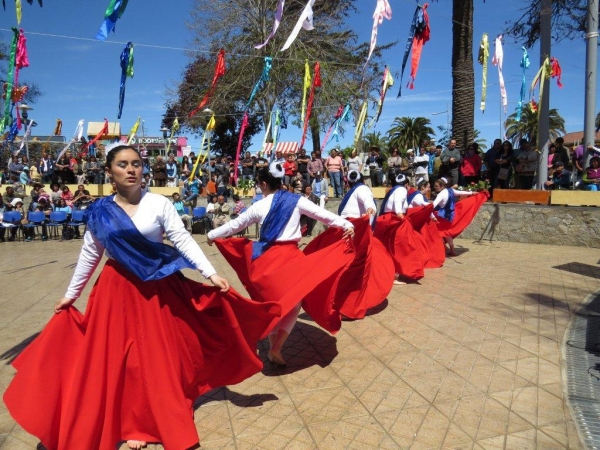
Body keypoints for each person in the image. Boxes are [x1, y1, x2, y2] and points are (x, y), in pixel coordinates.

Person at [3, 143, 280, 450]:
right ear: (109, 172)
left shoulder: (158, 204)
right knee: (120, 359)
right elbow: (90, 254)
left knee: (154, 357)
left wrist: (209, 273)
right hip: (116, 291)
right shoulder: (100, 211)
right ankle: (132, 420)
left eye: (136, 163)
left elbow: (182, 240)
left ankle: (149, 422)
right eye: (123, 164)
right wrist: (71, 295)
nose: (131, 169)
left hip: (156, 290)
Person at [207, 161, 355, 366]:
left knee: (270, 305)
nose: (259, 187)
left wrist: (212, 234)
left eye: (259, 184)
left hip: (263, 263)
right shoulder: (297, 200)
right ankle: (276, 347)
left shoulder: (259, 205)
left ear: (265, 184)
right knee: (294, 303)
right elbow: (323, 215)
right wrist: (347, 224)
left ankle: (272, 346)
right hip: (290, 261)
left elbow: (235, 225)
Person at [307, 170, 394, 319]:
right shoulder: (359, 189)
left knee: (350, 270)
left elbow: (369, 206)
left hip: (353, 232)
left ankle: (349, 306)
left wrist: (368, 225)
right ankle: (345, 304)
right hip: (351, 231)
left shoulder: (360, 189)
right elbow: (369, 207)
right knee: (351, 270)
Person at [374, 174, 425, 284]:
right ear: (406, 184)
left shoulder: (394, 190)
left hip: (390, 219)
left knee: (393, 246)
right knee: (402, 247)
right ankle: (396, 274)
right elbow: (398, 205)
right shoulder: (401, 190)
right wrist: (400, 214)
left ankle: (394, 273)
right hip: (396, 220)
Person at [432, 177, 487, 256]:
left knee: (438, 232)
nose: (435, 187)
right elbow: (460, 192)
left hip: (441, 217)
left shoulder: (440, 195)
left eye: (436, 186)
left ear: (442, 186)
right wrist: (472, 193)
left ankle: (442, 249)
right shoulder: (450, 190)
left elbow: (433, 205)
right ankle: (451, 249)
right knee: (446, 233)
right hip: (450, 216)